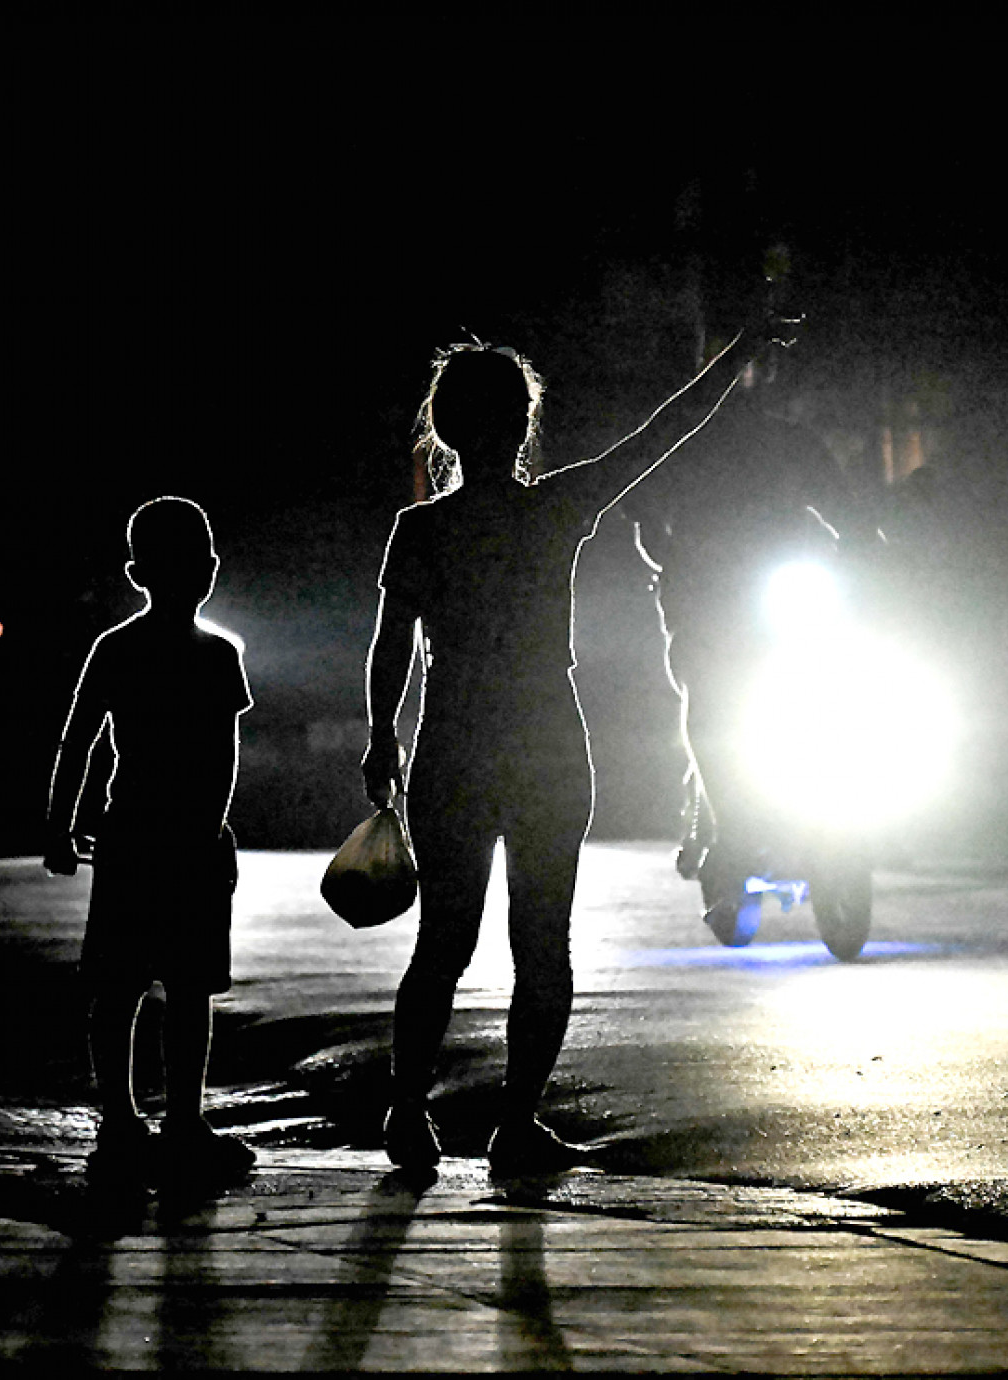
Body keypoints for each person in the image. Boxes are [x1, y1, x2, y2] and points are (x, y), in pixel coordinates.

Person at [362, 313, 780, 1175]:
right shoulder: (556, 509)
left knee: (441, 943)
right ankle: (514, 1123)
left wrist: (381, 740)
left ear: (444, 426)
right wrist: (734, 357)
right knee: (541, 942)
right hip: (548, 742)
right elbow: (662, 434)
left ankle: (408, 1114)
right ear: (522, 423)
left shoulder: (423, 530)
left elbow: (390, 645)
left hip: (456, 743)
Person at [44, 496, 255, 1183]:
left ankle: (122, 1121)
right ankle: (181, 1122)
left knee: (121, 986)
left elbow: (78, 742)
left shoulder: (119, 648)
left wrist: (60, 825)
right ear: (209, 571)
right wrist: (213, 831)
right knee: (187, 990)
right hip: (185, 839)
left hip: (132, 834)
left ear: (138, 571)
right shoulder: (219, 656)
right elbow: (224, 760)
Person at [616, 357, 864, 938]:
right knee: (710, 704)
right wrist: (667, 550)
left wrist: (865, 549)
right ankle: (727, 830)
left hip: (786, 597)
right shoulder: (683, 440)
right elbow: (641, 502)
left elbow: (852, 514)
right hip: (707, 605)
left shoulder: (793, 443)